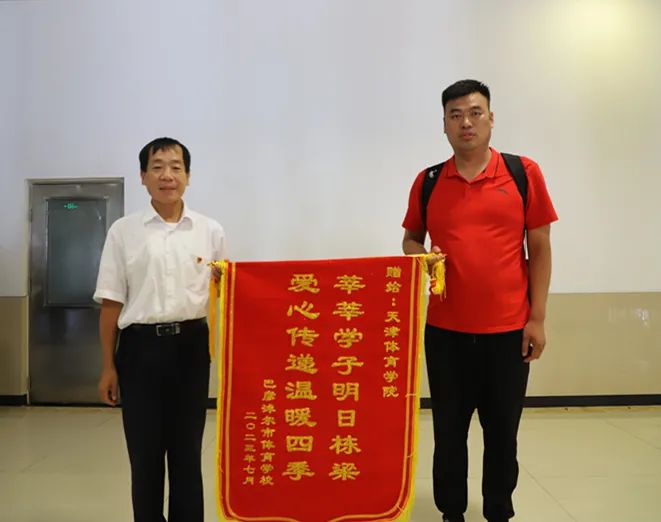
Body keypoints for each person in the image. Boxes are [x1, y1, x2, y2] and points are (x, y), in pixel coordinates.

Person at [401, 80, 558, 522]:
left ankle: (498, 512)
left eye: (474, 112)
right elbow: (411, 240)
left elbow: (540, 248)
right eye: (455, 115)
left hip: (508, 333)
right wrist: (423, 257)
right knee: (449, 434)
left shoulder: (522, 173)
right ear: (444, 125)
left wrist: (537, 318)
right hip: (445, 333)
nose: (465, 122)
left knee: (503, 435)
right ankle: (451, 513)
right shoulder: (429, 181)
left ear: (491, 118)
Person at [95, 137, 226, 522]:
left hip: (191, 349)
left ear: (188, 175)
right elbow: (111, 302)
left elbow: (227, 291)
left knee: (187, 454)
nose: (167, 175)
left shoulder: (210, 231)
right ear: (142, 176)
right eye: (157, 167)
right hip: (140, 352)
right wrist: (108, 366)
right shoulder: (123, 232)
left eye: (175, 167)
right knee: (145, 455)